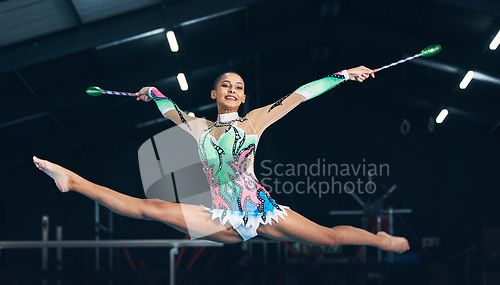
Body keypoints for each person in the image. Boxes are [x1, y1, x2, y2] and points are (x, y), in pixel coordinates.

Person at [33, 66, 409, 253]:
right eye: (226, 85)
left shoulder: (257, 119)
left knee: (327, 239)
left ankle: (380, 241)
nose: (233, 90)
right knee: (150, 208)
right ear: (214, 92)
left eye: (239, 87)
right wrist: (152, 92)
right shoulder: (197, 127)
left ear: (244, 97)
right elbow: (168, 108)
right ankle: (72, 180)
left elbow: (301, 94)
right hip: (219, 215)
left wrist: (344, 75)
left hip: (263, 211)